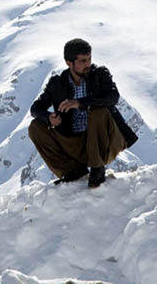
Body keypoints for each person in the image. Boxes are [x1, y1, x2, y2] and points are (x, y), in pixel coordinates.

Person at [28, 38, 138, 188]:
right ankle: (72, 171)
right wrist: (49, 117)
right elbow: (35, 108)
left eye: (89, 59)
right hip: (74, 141)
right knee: (35, 127)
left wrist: (80, 103)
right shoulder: (57, 83)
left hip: (105, 140)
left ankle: (97, 168)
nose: (88, 64)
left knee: (98, 111)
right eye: (83, 61)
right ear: (69, 62)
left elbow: (112, 96)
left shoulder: (100, 74)